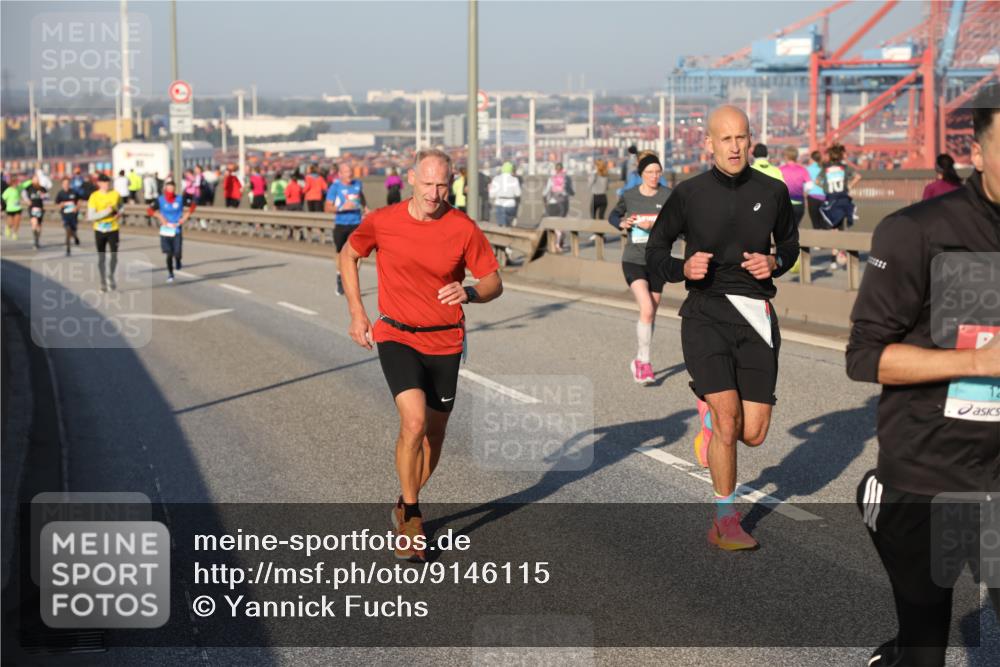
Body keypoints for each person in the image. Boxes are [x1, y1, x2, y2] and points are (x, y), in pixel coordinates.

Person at [845, 90, 1000, 667]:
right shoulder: (916, 232)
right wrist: (977, 362)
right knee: (925, 646)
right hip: (926, 476)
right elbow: (864, 357)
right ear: (978, 154)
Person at [646, 104, 799, 551]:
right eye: (725, 139)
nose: (735, 147)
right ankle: (725, 520)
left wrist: (775, 262)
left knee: (752, 432)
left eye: (742, 138)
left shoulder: (772, 191)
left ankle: (712, 427)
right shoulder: (690, 194)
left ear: (750, 141)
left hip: (755, 315)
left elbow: (790, 245)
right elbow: (655, 250)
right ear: (708, 143)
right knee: (729, 419)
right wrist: (681, 267)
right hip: (706, 313)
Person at [339, 148, 503, 562]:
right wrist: (358, 312)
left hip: (446, 339)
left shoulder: (462, 227)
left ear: (453, 182)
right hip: (396, 333)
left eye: (443, 184)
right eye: (427, 183)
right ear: (411, 178)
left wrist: (468, 292)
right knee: (412, 422)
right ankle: (412, 517)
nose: (435, 193)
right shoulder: (383, 221)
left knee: (435, 434)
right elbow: (349, 255)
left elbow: (493, 282)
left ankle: (403, 499)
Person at [608, 153, 671, 385]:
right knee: (646, 308)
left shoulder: (668, 196)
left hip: (658, 261)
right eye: (649, 172)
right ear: (641, 174)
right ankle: (644, 362)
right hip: (633, 259)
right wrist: (622, 223)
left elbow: (679, 223)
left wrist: (656, 225)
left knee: (651, 312)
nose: (654, 176)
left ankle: (639, 359)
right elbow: (613, 215)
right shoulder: (630, 196)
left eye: (658, 172)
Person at [817, 144, 862, 270]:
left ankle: (834, 258)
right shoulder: (844, 168)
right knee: (842, 228)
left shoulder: (825, 169)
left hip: (830, 201)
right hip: (842, 200)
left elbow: (817, 182)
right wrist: (849, 186)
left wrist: (825, 188)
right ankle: (841, 253)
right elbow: (858, 176)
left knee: (833, 229)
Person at [326, 162, 368, 296]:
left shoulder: (357, 184)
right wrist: (342, 207)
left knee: (357, 253)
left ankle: (352, 280)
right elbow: (327, 208)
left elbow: (361, 197)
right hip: (341, 224)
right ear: (340, 174)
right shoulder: (335, 187)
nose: (349, 174)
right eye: (346, 172)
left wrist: (366, 208)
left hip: (356, 223)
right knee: (340, 253)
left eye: (350, 171)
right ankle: (340, 276)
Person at [148, 179, 195, 283]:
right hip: (165, 230)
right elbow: (150, 210)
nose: (170, 190)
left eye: (172, 188)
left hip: (176, 229)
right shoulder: (160, 200)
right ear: (165, 188)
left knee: (177, 252)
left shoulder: (180, 199)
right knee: (169, 253)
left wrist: (184, 218)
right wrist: (160, 217)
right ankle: (170, 274)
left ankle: (178, 260)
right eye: (168, 188)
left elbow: (192, 206)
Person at [87, 173, 123, 291]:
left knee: (114, 256)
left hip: (113, 228)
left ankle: (110, 276)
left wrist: (119, 213)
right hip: (99, 229)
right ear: (99, 184)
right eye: (105, 183)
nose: (107, 185)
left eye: (108, 183)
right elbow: (91, 216)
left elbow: (121, 206)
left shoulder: (115, 194)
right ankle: (102, 280)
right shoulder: (94, 196)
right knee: (101, 257)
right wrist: (106, 212)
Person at [543, 163, 574, 251]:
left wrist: (546, 202)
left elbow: (545, 192)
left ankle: (555, 243)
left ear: (555, 169)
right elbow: (571, 191)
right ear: (562, 169)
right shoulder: (566, 178)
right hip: (563, 203)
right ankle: (560, 243)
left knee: (553, 223)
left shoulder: (551, 178)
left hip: (552, 203)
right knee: (562, 223)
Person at [778, 145, 810, 226]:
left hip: (785, 203)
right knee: (795, 227)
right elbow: (809, 186)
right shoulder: (803, 169)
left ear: (786, 156)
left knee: (786, 227)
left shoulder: (780, 170)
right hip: (799, 203)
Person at [489, 162, 521, 228]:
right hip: (510, 203)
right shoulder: (515, 180)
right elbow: (518, 193)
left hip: (499, 202)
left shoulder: (496, 179)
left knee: (501, 225)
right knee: (509, 224)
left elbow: (491, 194)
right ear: (511, 170)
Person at [55, 178, 82, 256]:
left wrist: (76, 208)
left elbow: (79, 200)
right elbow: (57, 203)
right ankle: (68, 248)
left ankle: (76, 237)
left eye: (67, 183)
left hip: (73, 215)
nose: (66, 185)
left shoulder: (74, 192)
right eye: (64, 184)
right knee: (68, 230)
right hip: (65, 215)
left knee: (73, 230)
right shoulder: (60, 193)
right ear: (62, 185)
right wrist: (61, 205)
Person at [23, 174, 48, 250]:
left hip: (40, 207)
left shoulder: (42, 188)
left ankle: (37, 239)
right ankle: (35, 241)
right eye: (34, 179)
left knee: (39, 225)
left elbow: (47, 196)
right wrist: (27, 201)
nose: (35, 180)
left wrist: (44, 196)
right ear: (32, 179)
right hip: (32, 207)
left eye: (37, 179)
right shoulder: (29, 187)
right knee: (34, 223)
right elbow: (23, 193)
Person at [2, 174, 30, 240]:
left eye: (16, 183)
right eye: (14, 183)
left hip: (18, 208)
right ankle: (8, 227)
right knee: (10, 223)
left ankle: (15, 233)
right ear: (11, 183)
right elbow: (2, 198)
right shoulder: (8, 190)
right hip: (10, 209)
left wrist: (32, 180)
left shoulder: (19, 188)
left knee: (17, 222)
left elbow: (26, 184)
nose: (15, 184)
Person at [804, 150, 826, 230]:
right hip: (824, 197)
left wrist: (805, 198)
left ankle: (817, 241)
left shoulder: (807, 169)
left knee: (815, 223)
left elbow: (806, 185)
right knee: (824, 221)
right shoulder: (824, 168)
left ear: (811, 159)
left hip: (812, 197)